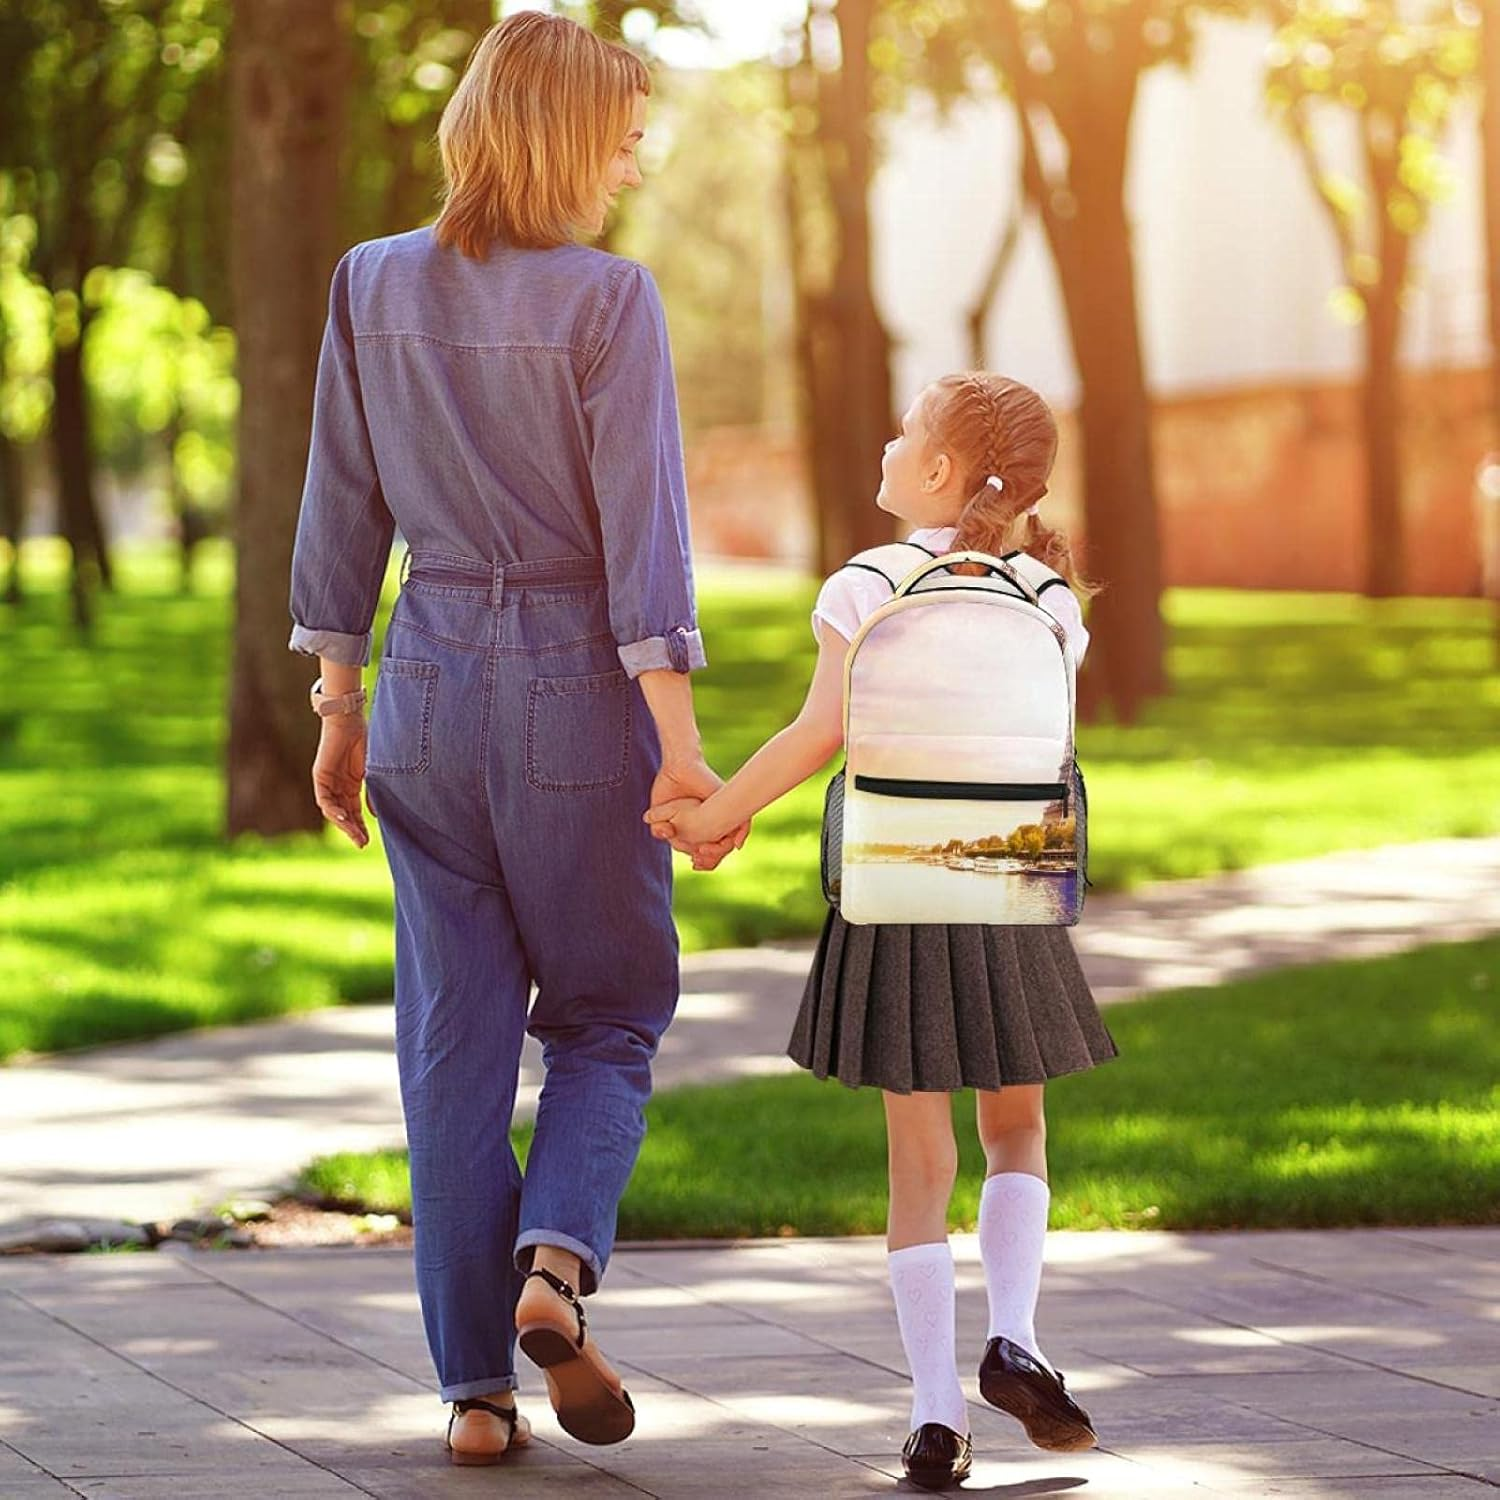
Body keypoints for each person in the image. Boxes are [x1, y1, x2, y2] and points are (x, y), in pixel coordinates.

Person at [287, 12, 745, 1467]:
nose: (629, 159)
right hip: (573, 689)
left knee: (454, 1044)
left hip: (423, 683)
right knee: (610, 1014)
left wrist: (339, 705)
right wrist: (680, 749)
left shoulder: (369, 284)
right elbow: (643, 549)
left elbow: (340, 508)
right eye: (617, 134)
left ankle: (474, 1394)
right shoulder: (612, 301)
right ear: (558, 135)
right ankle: (556, 1268)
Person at [646, 372, 1119, 1491]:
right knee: (1018, 1132)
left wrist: (716, 816)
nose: (889, 443)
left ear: (943, 472)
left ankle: (935, 1415)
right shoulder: (1051, 598)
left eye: (905, 431)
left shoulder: (869, 583)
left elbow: (823, 731)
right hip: (1012, 882)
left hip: (897, 887)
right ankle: (1019, 1335)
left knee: (920, 1162)